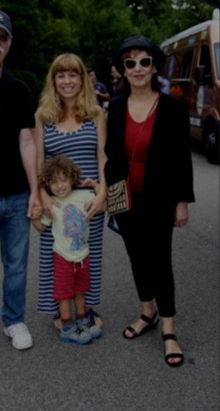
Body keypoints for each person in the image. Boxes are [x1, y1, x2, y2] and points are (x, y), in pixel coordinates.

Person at [105, 34, 194, 367]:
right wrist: (107, 194)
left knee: (160, 261)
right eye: (131, 62)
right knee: (136, 257)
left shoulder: (172, 108)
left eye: (144, 61)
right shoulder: (114, 106)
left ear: (154, 66)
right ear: (123, 70)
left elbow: (182, 159)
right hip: (124, 197)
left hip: (160, 197)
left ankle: (169, 329)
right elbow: (111, 155)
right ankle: (148, 313)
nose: (138, 68)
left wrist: (182, 201)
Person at [0, 8, 40, 350]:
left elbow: (27, 140)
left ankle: (13, 320)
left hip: (16, 194)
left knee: (15, 266)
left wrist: (35, 190)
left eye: (2, 37)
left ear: (9, 43)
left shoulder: (19, 90)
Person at [33, 53, 107, 334]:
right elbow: (40, 161)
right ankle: (59, 309)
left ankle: (85, 309)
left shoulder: (96, 114)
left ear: (82, 79)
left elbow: (103, 158)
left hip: (89, 202)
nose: (67, 81)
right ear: (53, 81)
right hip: (58, 203)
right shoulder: (43, 116)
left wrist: (102, 195)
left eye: (73, 74)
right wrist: (42, 196)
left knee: (90, 256)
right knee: (56, 255)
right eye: (61, 75)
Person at [31, 155, 99, 345]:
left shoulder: (84, 196)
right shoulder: (51, 203)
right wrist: (35, 217)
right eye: (53, 182)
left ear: (72, 178)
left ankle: (82, 320)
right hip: (62, 258)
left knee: (80, 292)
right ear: (48, 185)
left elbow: (103, 205)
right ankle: (67, 326)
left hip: (83, 256)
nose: (59, 185)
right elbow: (41, 228)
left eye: (63, 180)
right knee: (64, 294)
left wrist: (96, 186)